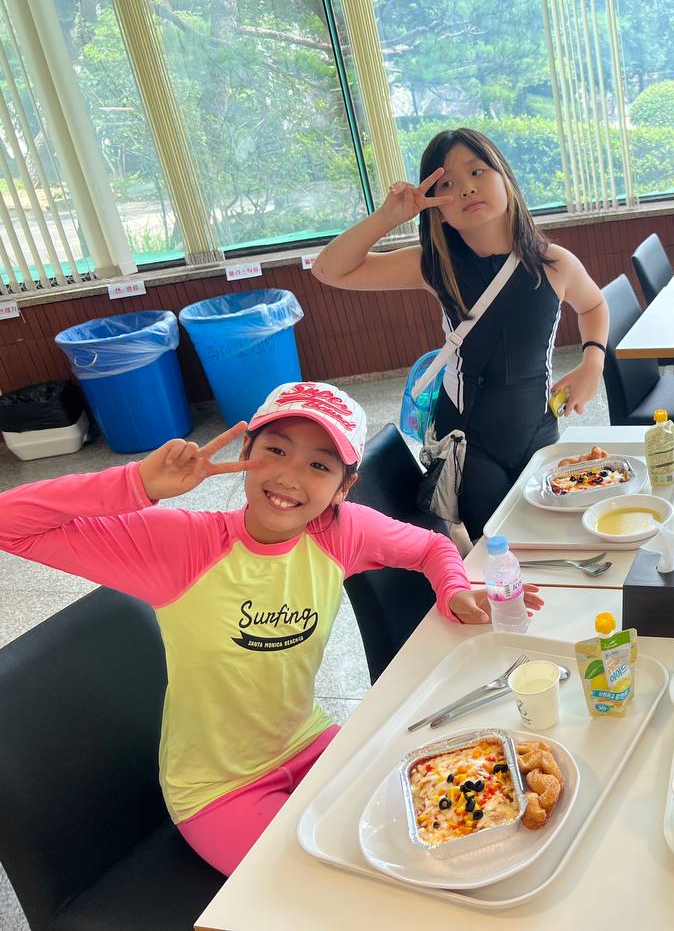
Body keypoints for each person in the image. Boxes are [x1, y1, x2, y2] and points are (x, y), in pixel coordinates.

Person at [0, 381, 542, 875]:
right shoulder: (183, 544)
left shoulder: (339, 532)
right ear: (245, 452)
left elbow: (430, 546)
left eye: (319, 465)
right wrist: (137, 483)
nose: (288, 477)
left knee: (436, 823)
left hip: (308, 742)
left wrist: (454, 590)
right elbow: (10, 524)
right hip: (217, 790)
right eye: (276, 451)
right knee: (321, 890)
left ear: (344, 488)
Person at [313, 128, 608, 538]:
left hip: (539, 432)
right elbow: (328, 270)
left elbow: (593, 306)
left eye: (477, 171)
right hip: (471, 447)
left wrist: (593, 360)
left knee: (554, 534)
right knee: (501, 547)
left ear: (506, 178)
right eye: (447, 184)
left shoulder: (553, 263)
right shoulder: (434, 266)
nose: (466, 188)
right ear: (437, 209)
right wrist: (388, 218)